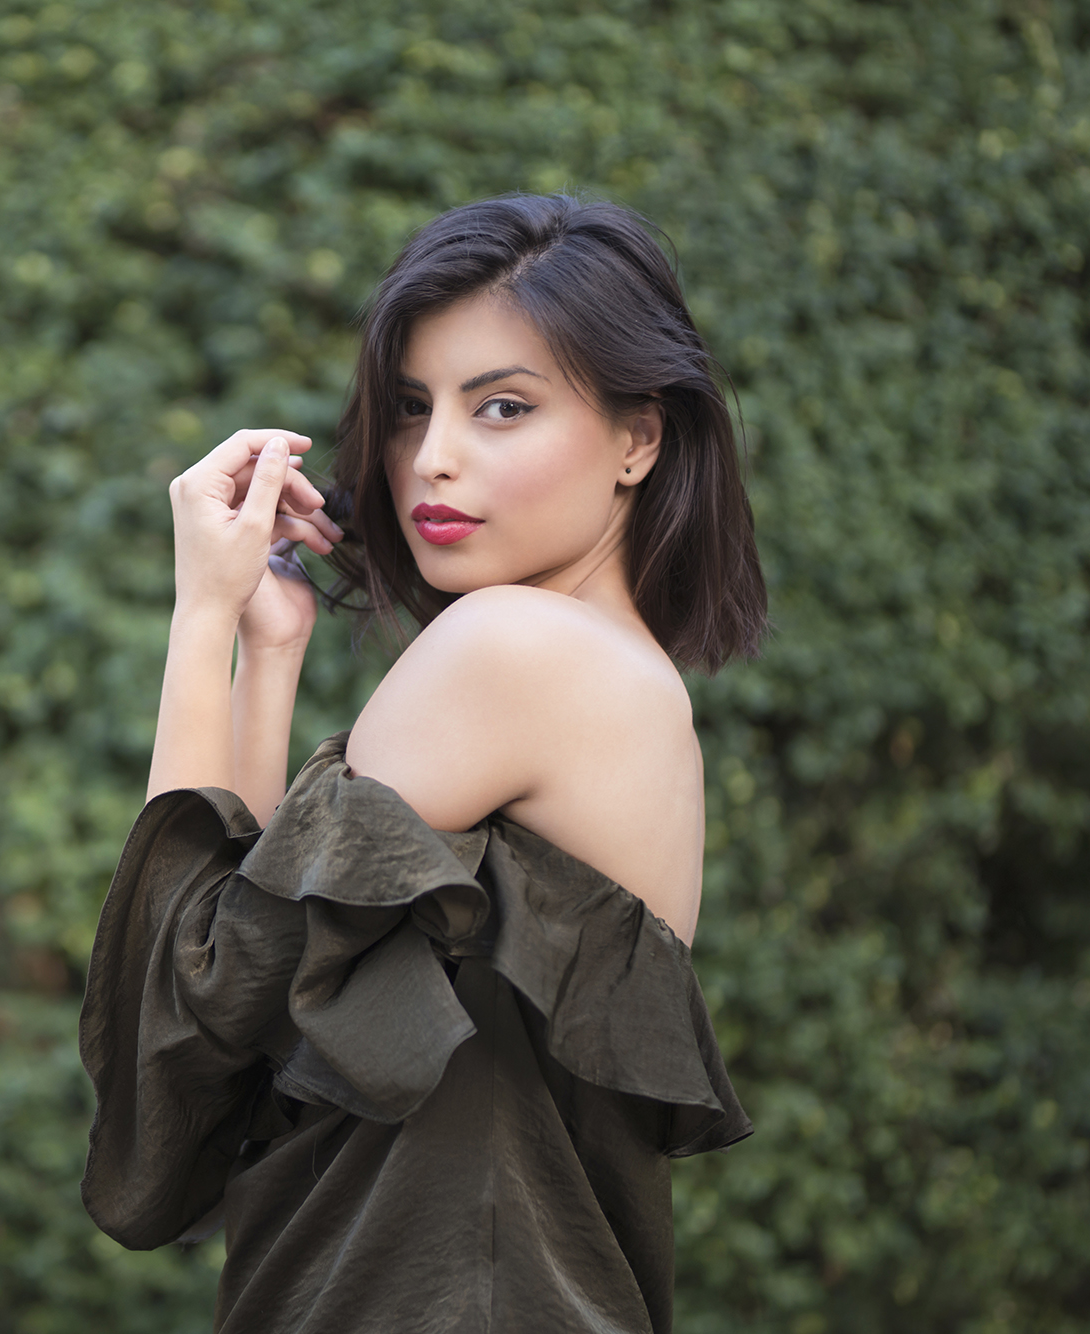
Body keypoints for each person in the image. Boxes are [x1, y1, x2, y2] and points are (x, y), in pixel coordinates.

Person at [79, 194, 767, 1333]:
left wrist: (198, 616)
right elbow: (250, 1016)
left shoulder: (511, 648)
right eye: (409, 408)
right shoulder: (624, 681)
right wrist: (269, 645)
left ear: (638, 438)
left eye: (501, 405)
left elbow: (176, 1038)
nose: (429, 458)